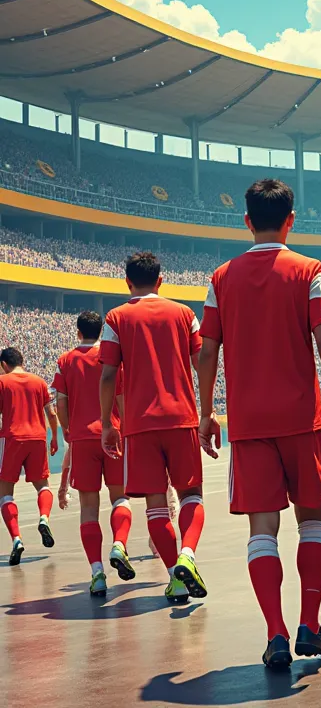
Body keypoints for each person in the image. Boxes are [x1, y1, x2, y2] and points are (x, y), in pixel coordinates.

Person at [197, 179, 321, 669]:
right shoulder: (310, 269)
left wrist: (206, 413)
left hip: (249, 425)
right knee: (313, 521)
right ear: (291, 220)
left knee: (261, 530)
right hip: (302, 421)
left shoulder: (220, 278)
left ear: (246, 221)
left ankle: (275, 633)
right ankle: (311, 623)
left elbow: (207, 351)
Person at [99, 252, 209, 605]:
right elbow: (201, 362)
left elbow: (107, 374)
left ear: (127, 282)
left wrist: (107, 424)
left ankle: (174, 581)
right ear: (161, 281)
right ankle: (188, 556)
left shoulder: (115, 318)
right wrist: (209, 411)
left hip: (139, 425)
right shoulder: (185, 314)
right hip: (181, 418)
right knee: (191, 495)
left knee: (156, 506)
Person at [52, 310, 134, 597]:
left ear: (78, 332)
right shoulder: (111, 356)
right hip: (113, 433)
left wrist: (67, 431)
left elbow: (60, 402)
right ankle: (120, 544)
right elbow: (121, 395)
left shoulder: (65, 361)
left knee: (88, 506)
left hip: (83, 439)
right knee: (120, 497)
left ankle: (97, 572)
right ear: (101, 331)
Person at [0, 347, 59, 564]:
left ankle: (17, 539)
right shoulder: (39, 382)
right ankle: (44, 518)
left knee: (5, 493)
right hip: (37, 437)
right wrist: (54, 437)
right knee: (43, 486)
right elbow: (51, 413)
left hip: (12, 438)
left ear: (4, 364)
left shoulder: (3, 382)